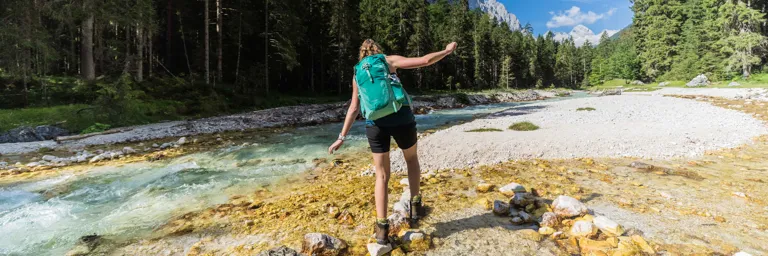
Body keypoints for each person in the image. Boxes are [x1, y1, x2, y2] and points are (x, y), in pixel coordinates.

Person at [328, 39, 457, 245]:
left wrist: (341, 137)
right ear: (377, 50)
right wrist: (447, 51)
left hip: (375, 123)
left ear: (361, 55)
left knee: (381, 175)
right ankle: (415, 210)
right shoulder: (388, 61)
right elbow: (424, 61)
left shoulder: (357, 74)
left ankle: (381, 231)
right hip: (401, 117)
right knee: (412, 160)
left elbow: (353, 108)